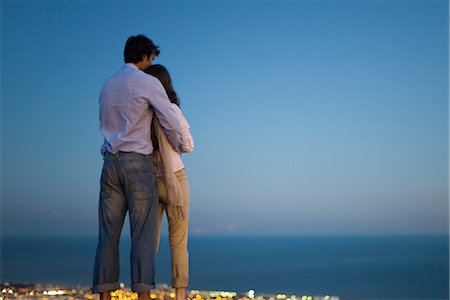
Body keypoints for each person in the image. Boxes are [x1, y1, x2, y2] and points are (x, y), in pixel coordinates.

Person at [93, 35, 182, 300]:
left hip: (110, 163)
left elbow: (104, 121)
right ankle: (143, 296)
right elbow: (170, 118)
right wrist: (175, 145)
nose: (151, 63)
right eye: (151, 58)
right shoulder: (148, 82)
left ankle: (104, 296)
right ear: (144, 56)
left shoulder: (107, 85)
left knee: (107, 236)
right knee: (142, 236)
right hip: (138, 164)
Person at [145, 64, 194, 300]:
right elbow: (188, 145)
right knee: (178, 241)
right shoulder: (172, 110)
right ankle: (180, 294)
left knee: (148, 243)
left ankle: (144, 290)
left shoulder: (142, 113)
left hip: (150, 181)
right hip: (176, 177)